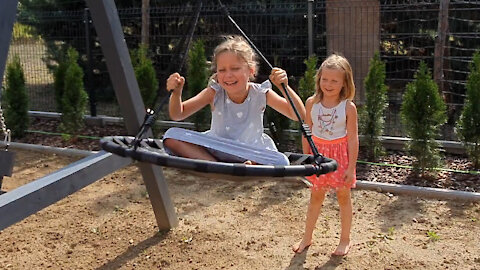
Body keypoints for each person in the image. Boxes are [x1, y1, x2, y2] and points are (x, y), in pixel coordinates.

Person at [162, 35, 305, 165]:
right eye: (222, 70)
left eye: (235, 68)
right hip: (218, 147)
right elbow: (177, 114)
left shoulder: (261, 93)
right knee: (171, 135)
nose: (228, 75)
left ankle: (249, 164)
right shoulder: (214, 92)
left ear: (251, 70)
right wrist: (176, 93)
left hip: (250, 150)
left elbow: (298, 115)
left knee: (282, 161)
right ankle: (217, 166)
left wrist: (284, 87)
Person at [292, 54, 358, 256]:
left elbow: (353, 139)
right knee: (316, 197)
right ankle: (307, 237)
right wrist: (306, 159)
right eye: (325, 79)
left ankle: (345, 239)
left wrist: (351, 167)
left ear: (344, 82)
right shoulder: (311, 103)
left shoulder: (348, 107)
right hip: (318, 155)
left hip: (339, 158)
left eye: (334, 80)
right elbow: (307, 132)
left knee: (343, 197)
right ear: (319, 79)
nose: (328, 84)